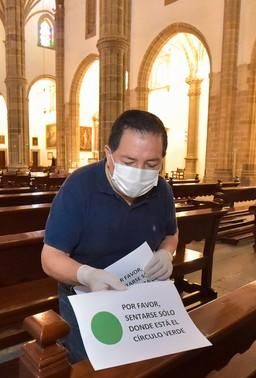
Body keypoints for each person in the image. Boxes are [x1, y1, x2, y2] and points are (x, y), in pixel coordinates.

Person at [41, 110, 178, 362]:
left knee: (148, 364)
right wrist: (88, 274)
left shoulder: (162, 191)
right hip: (85, 295)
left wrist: (166, 252)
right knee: (91, 373)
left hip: (140, 291)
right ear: (108, 154)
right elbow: (50, 257)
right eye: (128, 161)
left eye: (151, 164)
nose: (140, 172)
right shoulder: (79, 187)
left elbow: (171, 233)